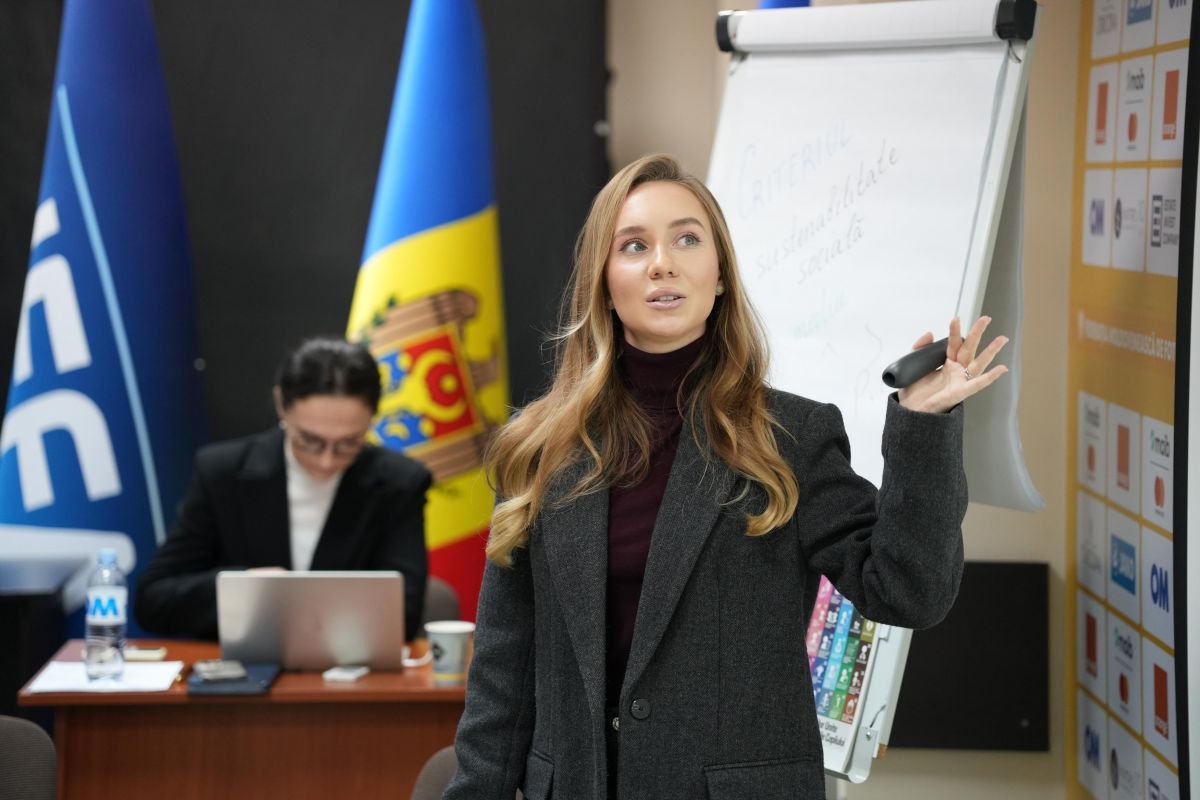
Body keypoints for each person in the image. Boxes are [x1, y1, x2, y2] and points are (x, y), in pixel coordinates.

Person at [443, 155, 1008, 800]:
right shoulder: (539, 448)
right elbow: (503, 671)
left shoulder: (791, 437)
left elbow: (908, 592)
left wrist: (922, 429)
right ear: (603, 280)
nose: (663, 263)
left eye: (687, 239)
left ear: (719, 278)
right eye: (634, 246)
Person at [135, 337, 432, 642]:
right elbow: (153, 599)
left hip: (352, 663)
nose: (327, 460)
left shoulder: (400, 483)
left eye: (349, 443)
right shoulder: (224, 472)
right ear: (281, 406)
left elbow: (404, 612)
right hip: (244, 664)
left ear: (371, 419)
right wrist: (244, 588)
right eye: (310, 441)